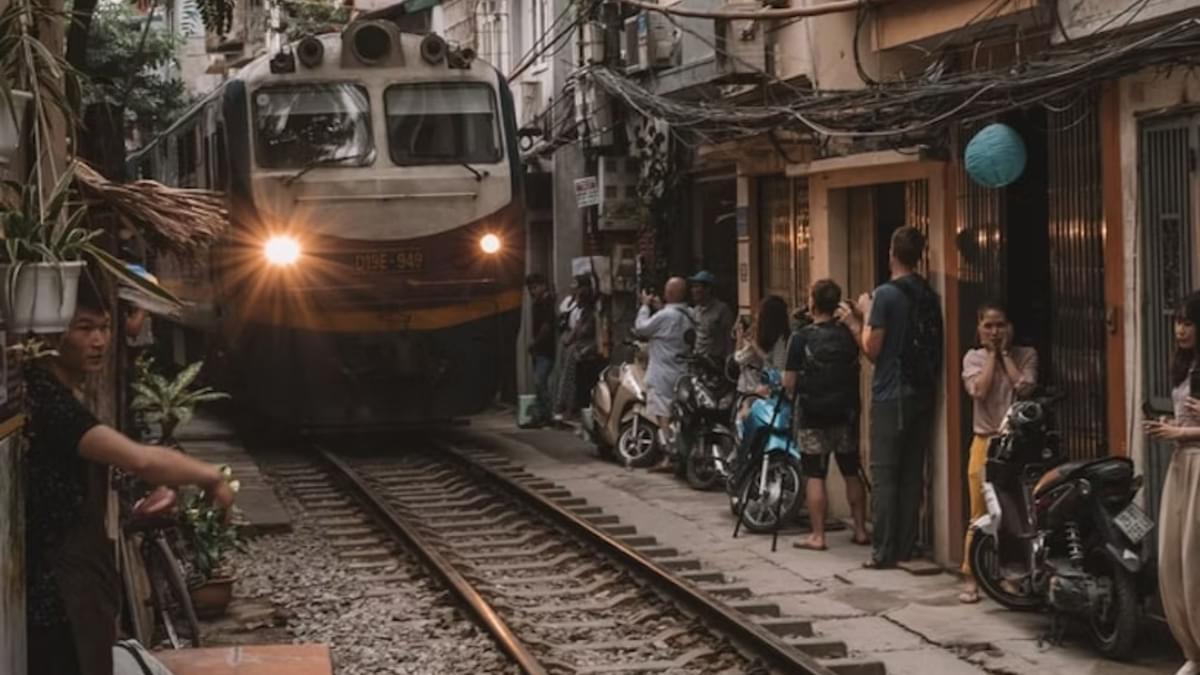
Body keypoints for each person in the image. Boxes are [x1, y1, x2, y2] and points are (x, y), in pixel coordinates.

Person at [26, 282, 237, 675]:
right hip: (54, 597)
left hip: (68, 589)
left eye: (105, 328)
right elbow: (140, 459)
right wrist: (209, 476)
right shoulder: (49, 402)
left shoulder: (54, 393)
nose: (99, 340)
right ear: (52, 334)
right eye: (84, 328)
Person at [842, 225, 943, 569]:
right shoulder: (927, 293)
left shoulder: (885, 295)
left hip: (891, 394)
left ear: (891, 254)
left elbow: (873, 349)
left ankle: (883, 550)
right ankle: (905, 546)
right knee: (912, 473)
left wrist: (858, 319)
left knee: (885, 474)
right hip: (922, 392)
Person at [957, 301, 1037, 603]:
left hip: (1017, 443)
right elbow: (979, 390)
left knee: (1017, 513)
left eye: (1000, 325)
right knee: (979, 512)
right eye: (988, 326)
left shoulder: (1026, 355)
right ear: (979, 329)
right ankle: (970, 576)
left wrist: (1004, 355)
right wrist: (991, 355)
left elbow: (1025, 387)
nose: (994, 331)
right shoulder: (973, 358)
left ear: (1010, 327)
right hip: (985, 442)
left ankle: (1012, 577)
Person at [785, 279, 868, 552]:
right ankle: (860, 529)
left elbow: (789, 382)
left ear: (813, 302)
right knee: (851, 470)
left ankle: (818, 535)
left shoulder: (801, 338)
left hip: (813, 414)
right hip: (846, 414)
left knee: (815, 474)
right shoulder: (849, 334)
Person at [1145, 290, 1200, 675]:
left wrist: (1180, 432)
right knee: (1172, 558)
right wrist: (1171, 428)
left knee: (1194, 558)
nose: (1181, 330)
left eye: (1189, 322)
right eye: (1178, 322)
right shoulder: (1182, 366)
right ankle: (1192, 649)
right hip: (1181, 463)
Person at [635, 277, 693, 467]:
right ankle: (675, 451)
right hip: (682, 373)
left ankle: (670, 453)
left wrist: (645, 306)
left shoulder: (666, 315)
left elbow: (642, 328)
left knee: (663, 415)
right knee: (679, 415)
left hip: (661, 374)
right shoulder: (690, 314)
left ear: (668, 294)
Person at [734, 295, 790, 412]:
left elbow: (739, 358)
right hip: (762, 389)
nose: (756, 316)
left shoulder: (780, 340)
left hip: (761, 391)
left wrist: (742, 340)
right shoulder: (773, 337)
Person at [524, 273, 556, 428]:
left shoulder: (546, 303)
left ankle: (547, 414)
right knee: (539, 384)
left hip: (546, 350)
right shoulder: (537, 303)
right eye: (530, 289)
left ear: (543, 285)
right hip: (539, 351)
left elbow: (546, 327)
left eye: (535, 287)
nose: (532, 291)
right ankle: (539, 416)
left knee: (539, 382)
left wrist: (535, 343)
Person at [689, 271, 734, 363]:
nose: (693, 291)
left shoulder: (722, 310)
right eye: (693, 287)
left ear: (707, 289)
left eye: (697, 287)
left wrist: (729, 359)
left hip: (715, 361)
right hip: (698, 359)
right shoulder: (695, 311)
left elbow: (729, 336)